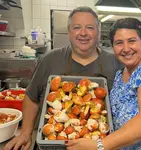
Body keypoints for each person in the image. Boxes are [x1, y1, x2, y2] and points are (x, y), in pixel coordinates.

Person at [3, 6, 122, 150]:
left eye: (90, 27)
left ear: (98, 31)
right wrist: (25, 133)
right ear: (69, 32)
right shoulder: (50, 59)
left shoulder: (115, 63)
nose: (83, 33)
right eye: (77, 27)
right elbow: (31, 97)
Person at [66, 18, 141, 150]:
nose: (126, 48)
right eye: (119, 43)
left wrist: (100, 145)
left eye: (132, 41)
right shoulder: (120, 75)